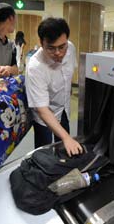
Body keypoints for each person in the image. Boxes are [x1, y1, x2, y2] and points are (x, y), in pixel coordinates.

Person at [26, 17, 83, 157]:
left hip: (63, 108)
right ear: (41, 43)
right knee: (43, 153)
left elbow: (68, 77)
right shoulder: (35, 67)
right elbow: (42, 109)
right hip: (44, 115)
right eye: (51, 48)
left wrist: (65, 138)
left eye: (62, 47)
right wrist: (67, 138)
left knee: (64, 151)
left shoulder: (71, 48)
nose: (58, 53)